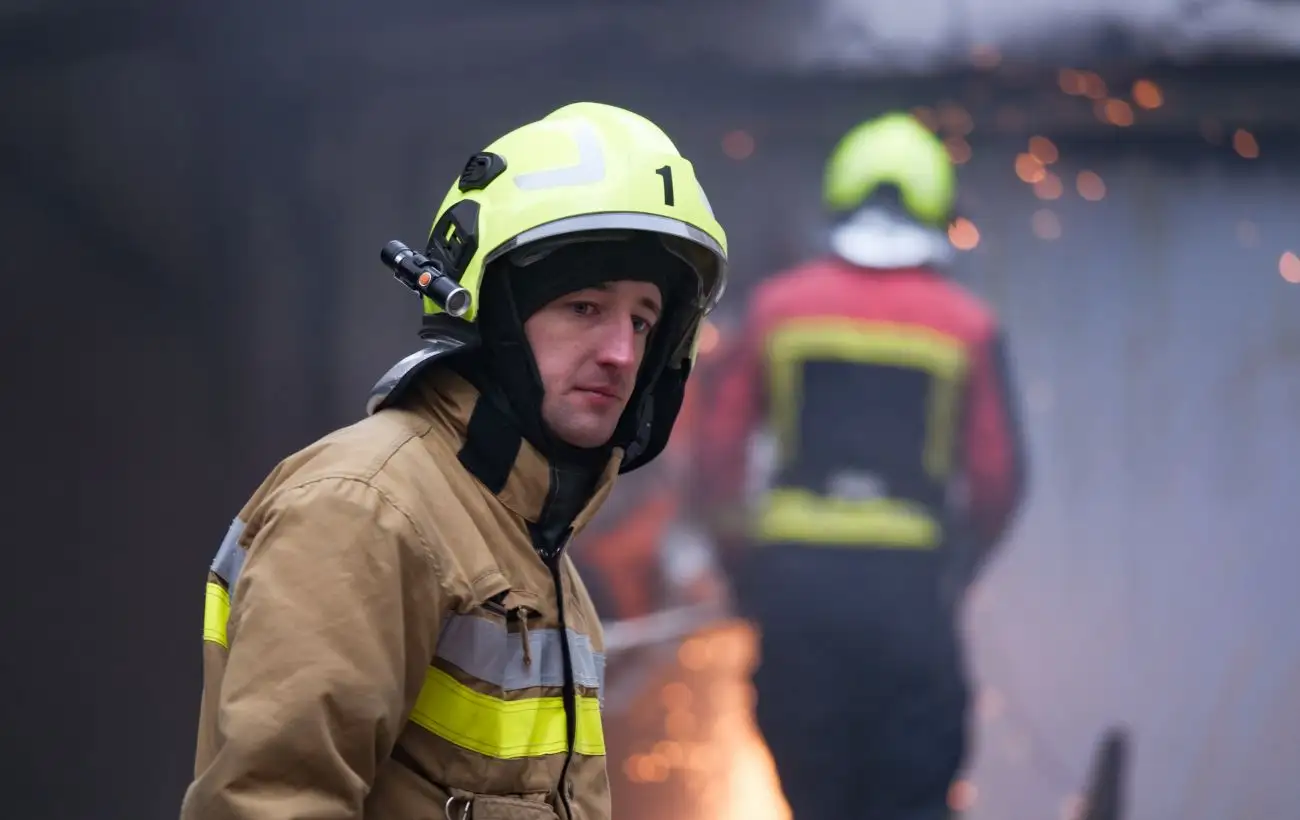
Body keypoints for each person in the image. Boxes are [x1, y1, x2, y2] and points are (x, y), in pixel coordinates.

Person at [180, 101, 728, 820]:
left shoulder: (539, 560)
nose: (621, 352)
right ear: (493, 317)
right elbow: (271, 805)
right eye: (584, 307)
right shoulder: (364, 510)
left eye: (642, 320)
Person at [696, 111, 1027, 820]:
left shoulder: (779, 308)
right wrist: (958, 567)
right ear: (938, 206)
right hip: (906, 592)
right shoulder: (967, 324)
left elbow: (718, 452)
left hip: (797, 588)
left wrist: (740, 563)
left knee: (816, 795)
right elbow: (997, 478)